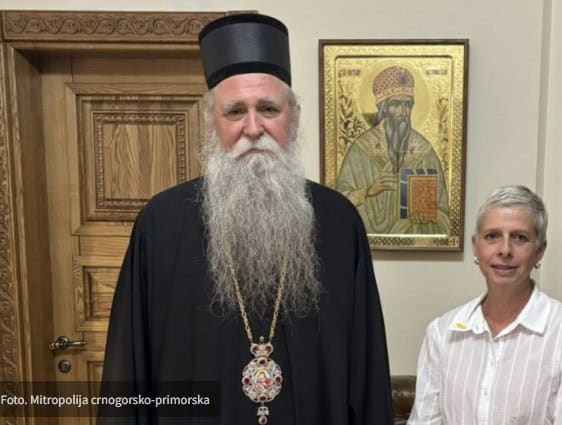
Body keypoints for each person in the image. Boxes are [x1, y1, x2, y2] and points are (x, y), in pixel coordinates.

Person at [98, 13, 393, 425]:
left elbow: (366, 371)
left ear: (293, 119)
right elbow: (129, 375)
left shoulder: (339, 223)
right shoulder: (160, 225)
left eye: (268, 109)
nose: (253, 128)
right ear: (212, 124)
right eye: (235, 111)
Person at [407, 186, 562, 425]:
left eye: (519, 237)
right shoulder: (442, 333)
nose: (505, 250)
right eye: (492, 236)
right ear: (476, 246)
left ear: (540, 251)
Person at [335, 65, 450, 235]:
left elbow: (444, 211)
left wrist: (429, 214)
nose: (403, 112)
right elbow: (338, 202)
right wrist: (369, 191)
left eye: (408, 105)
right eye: (395, 104)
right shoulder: (360, 149)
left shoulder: (424, 150)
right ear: (383, 108)